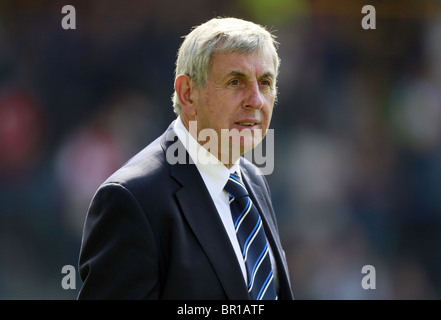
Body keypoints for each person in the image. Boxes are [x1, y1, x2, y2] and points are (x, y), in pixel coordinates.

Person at [77, 16, 294, 300]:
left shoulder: (251, 180)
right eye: (235, 81)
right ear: (188, 94)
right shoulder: (131, 200)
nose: (256, 100)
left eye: (265, 82)